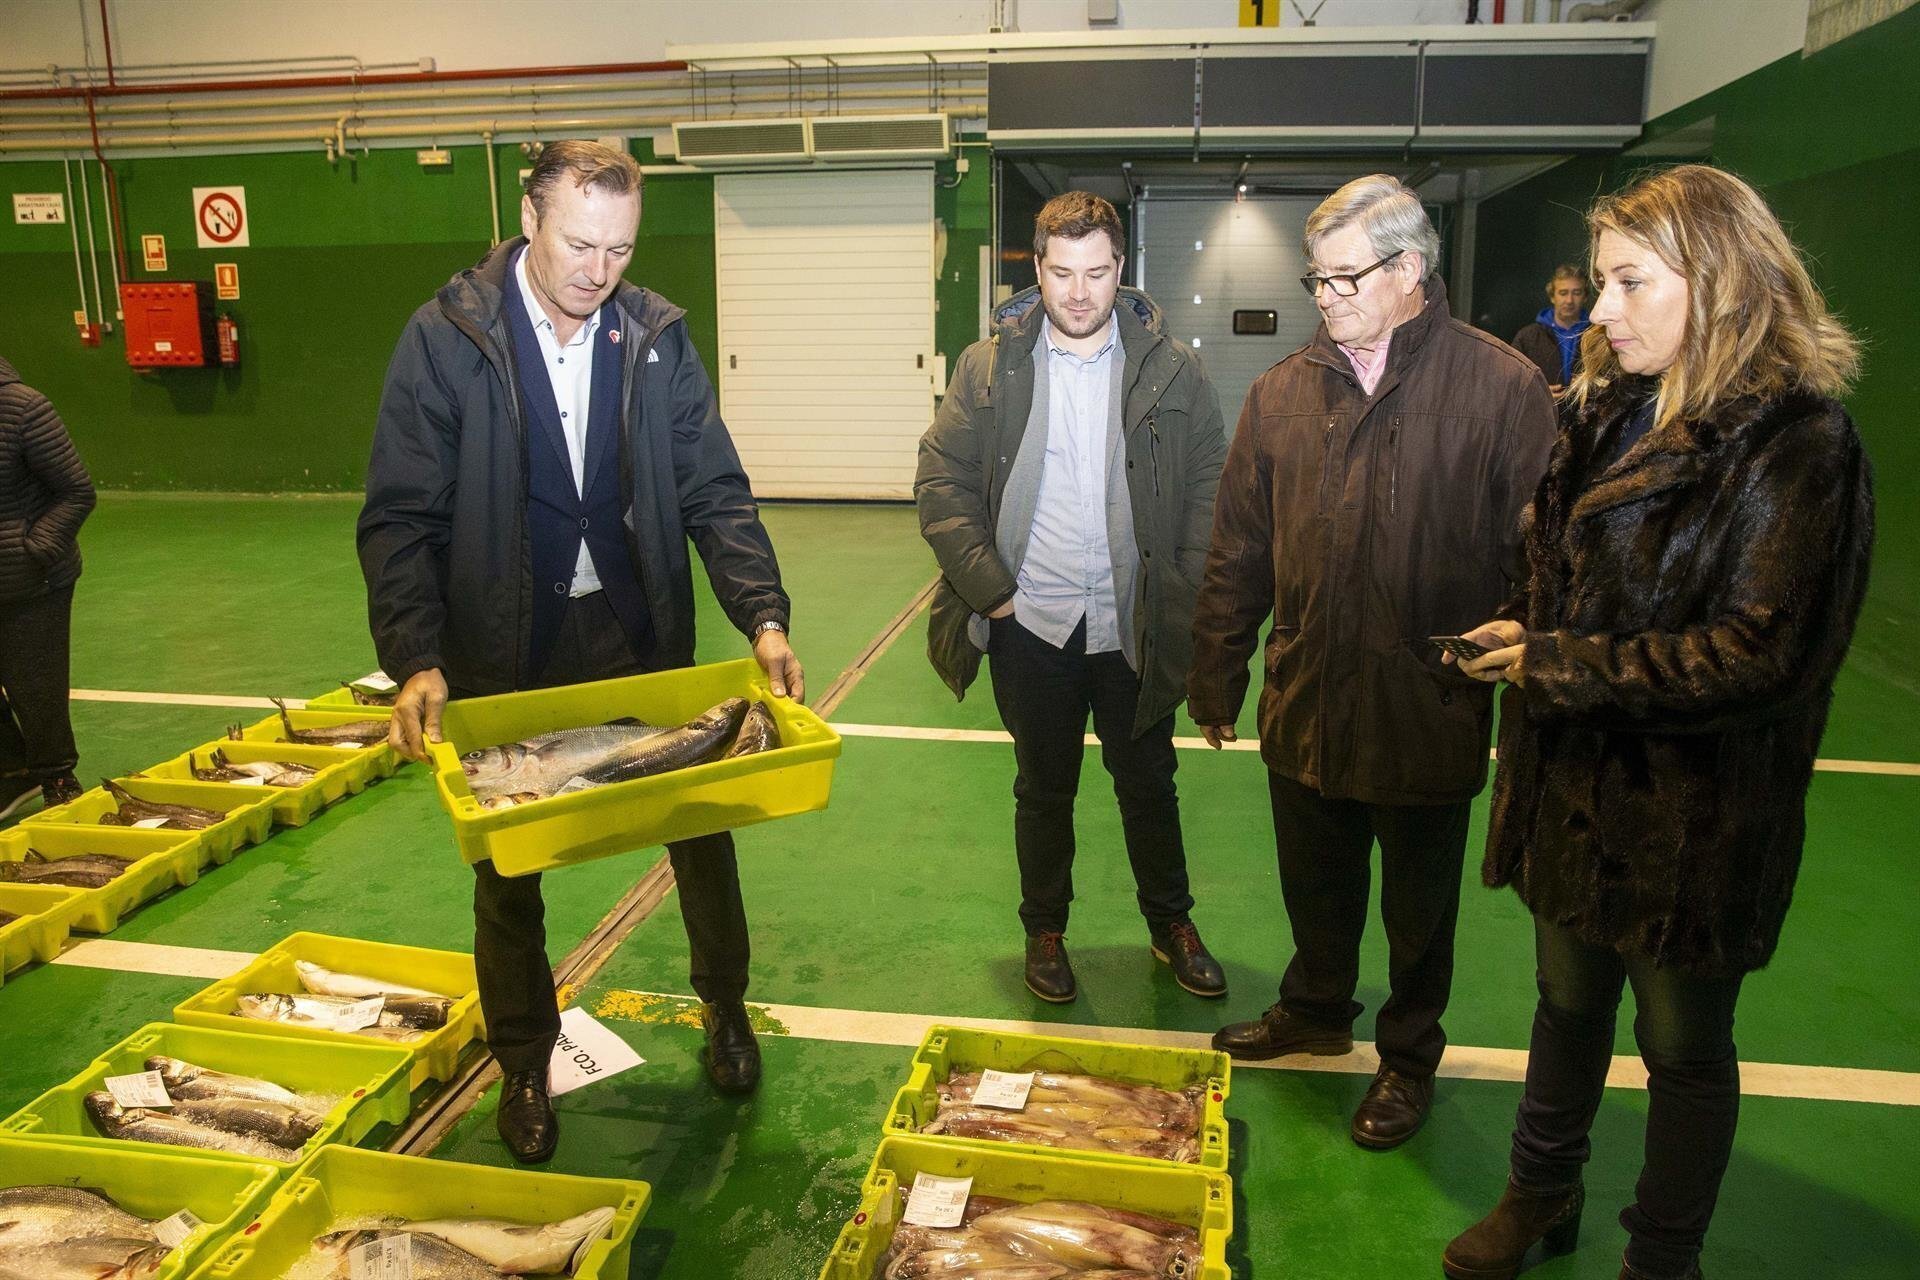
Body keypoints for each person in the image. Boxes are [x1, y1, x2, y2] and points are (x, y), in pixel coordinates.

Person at [1441, 164, 1873, 1280]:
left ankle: (1663, 1256)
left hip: (1694, 820)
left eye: (1631, 282)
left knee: (1683, 1048)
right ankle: (1542, 1190)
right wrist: (1528, 627)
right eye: (1602, 281)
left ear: (1718, 280)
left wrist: (1557, 661)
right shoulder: (1605, 410)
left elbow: (1760, 654)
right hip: (1574, 789)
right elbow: (1573, 580)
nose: (1603, 308)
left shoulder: (1797, 442)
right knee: (1565, 1004)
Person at [358, 140, 803, 1165]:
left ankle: (725, 1006)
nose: (599, 271)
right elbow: (401, 515)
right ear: (530, 218)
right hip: (504, 636)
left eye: (620, 249)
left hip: (636, 627)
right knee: (508, 865)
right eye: (579, 244)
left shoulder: (653, 337)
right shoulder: (448, 338)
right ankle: (524, 1061)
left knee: (700, 824)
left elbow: (713, 489)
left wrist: (762, 614)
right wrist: (416, 654)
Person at [1188, 174, 1555, 1151]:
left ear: (1411, 269)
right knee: (1315, 877)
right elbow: (1238, 549)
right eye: (1318, 278)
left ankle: (1408, 1055)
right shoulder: (1281, 392)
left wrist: (1520, 646)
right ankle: (1315, 1006)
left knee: (1418, 908)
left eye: (1346, 277)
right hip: (1308, 690)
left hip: (1426, 699)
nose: (1328, 297)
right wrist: (1218, 671)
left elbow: (1546, 557)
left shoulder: (1501, 389)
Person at [916, 191, 1230, 1005]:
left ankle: (1171, 924)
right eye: (1062, 273)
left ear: (1121, 268)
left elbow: (1209, 487)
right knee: (1043, 790)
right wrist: (992, 593)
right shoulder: (988, 368)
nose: (1079, 292)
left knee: (1149, 784)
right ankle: (1044, 930)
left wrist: (1180, 589)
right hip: (1032, 624)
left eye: (1096, 272)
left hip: (1133, 624)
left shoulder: (1173, 367)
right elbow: (942, 482)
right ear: (1038, 268)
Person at [0, 357, 93, 821]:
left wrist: (34, 549)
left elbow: (76, 491)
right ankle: (12, 772)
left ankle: (58, 778)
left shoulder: (23, 407)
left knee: (36, 688)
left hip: (32, 581)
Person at [1512, 264, 1591, 392]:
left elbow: (1613, 380)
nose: (1569, 300)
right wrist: (1537, 394)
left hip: (1587, 405)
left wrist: (1591, 387)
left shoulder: (1599, 335)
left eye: (1576, 293)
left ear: (1585, 297)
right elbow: (1511, 379)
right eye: (1563, 293)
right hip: (1538, 405)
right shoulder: (1527, 337)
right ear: (1552, 297)